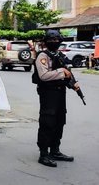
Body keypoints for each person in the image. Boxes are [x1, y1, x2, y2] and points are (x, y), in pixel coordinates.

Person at [32, 29, 78, 167]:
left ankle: (55, 150)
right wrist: (61, 72)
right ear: (46, 42)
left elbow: (68, 71)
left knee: (59, 121)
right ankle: (44, 154)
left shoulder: (59, 55)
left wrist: (73, 83)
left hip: (60, 92)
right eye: (51, 40)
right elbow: (44, 76)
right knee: (47, 122)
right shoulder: (42, 56)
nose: (54, 42)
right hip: (48, 93)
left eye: (56, 40)